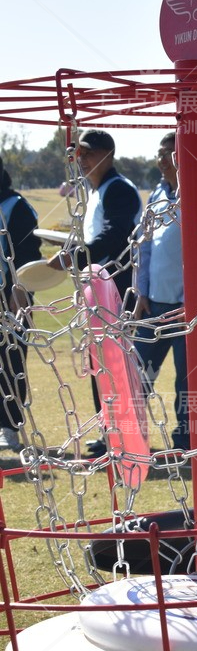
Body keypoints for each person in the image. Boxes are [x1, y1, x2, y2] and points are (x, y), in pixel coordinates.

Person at [47, 129, 142, 458]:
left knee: (115, 369)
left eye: (87, 153)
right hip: (97, 293)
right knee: (99, 367)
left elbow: (115, 236)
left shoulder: (120, 190)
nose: (81, 160)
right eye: (79, 154)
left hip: (115, 291)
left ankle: (124, 437)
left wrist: (74, 255)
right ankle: (109, 434)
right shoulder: (97, 190)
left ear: (108, 154)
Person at [132, 133, 191, 450]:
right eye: (160, 154)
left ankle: (186, 439)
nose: (162, 160)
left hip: (187, 309)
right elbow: (145, 249)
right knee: (139, 374)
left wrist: (193, 299)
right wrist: (141, 291)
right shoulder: (156, 194)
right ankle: (130, 435)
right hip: (153, 305)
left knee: (187, 381)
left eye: (169, 153)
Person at [0, 155, 43, 452]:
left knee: (9, 360)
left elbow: (29, 253)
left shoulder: (16, 207)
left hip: (9, 295)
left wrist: (20, 295)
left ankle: (8, 428)